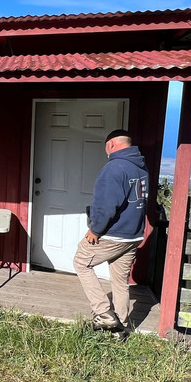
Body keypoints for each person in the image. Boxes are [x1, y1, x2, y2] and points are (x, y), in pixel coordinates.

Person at [73, 129, 150, 335]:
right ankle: (121, 325)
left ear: (111, 145)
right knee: (120, 281)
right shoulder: (141, 169)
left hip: (113, 234)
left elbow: (106, 205)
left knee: (81, 262)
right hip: (133, 235)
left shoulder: (114, 168)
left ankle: (104, 313)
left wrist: (95, 230)